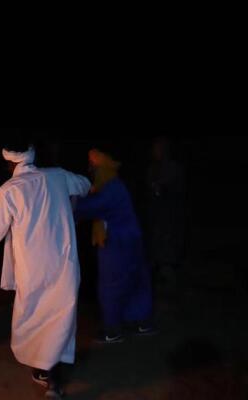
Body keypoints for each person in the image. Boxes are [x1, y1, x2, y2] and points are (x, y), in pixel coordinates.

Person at [0, 142, 90, 398]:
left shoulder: (10, 190)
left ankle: (51, 379)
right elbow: (84, 185)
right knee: (59, 321)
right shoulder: (57, 176)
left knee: (36, 319)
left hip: (33, 271)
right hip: (63, 266)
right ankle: (49, 375)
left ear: (10, 163)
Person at [75, 147, 155, 343]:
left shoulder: (110, 188)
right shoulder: (115, 185)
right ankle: (140, 322)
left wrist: (69, 202)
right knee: (135, 281)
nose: (90, 169)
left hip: (117, 244)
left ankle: (112, 330)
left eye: (93, 166)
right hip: (131, 240)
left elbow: (89, 207)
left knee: (111, 286)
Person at [146, 137, 185, 285]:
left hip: (170, 212)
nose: (156, 152)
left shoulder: (174, 168)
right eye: (155, 148)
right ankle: (157, 270)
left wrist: (163, 188)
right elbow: (150, 188)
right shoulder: (153, 169)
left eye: (159, 148)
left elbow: (178, 189)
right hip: (156, 212)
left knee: (169, 240)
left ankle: (168, 271)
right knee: (156, 238)